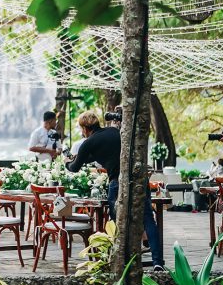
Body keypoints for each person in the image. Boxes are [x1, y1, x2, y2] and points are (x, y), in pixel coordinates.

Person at [66, 110, 165, 269]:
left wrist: (67, 162)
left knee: (117, 223)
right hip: (139, 179)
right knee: (148, 220)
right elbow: (101, 154)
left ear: (85, 128)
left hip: (117, 182)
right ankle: (158, 262)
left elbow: (75, 168)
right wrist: (80, 157)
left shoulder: (88, 143)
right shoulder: (114, 131)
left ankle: (121, 262)